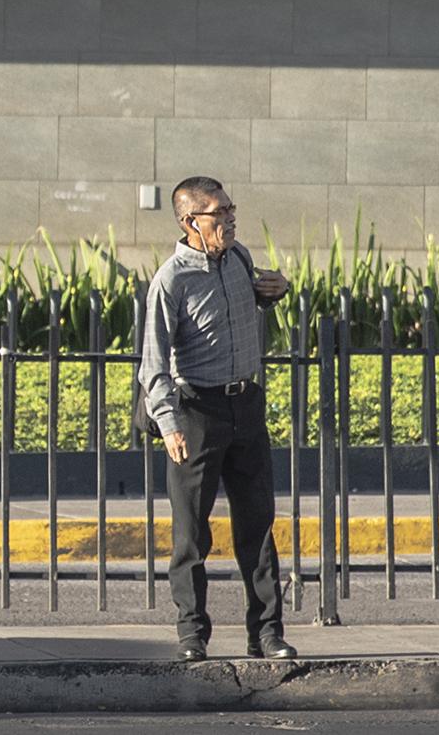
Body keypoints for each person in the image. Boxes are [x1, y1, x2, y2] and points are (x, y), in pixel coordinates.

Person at [137, 176, 297, 663]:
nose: (228, 219)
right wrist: (169, 424)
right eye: (218, 213)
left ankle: (266, 633)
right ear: (190, 222)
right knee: (191, 533)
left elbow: (244, 306)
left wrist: (274, 291)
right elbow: (153, 365)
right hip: (196, 413)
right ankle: (192, 634)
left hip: (245, 406)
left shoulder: (239, 258)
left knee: (258, 525)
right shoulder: (171, 281)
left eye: (230, 210)